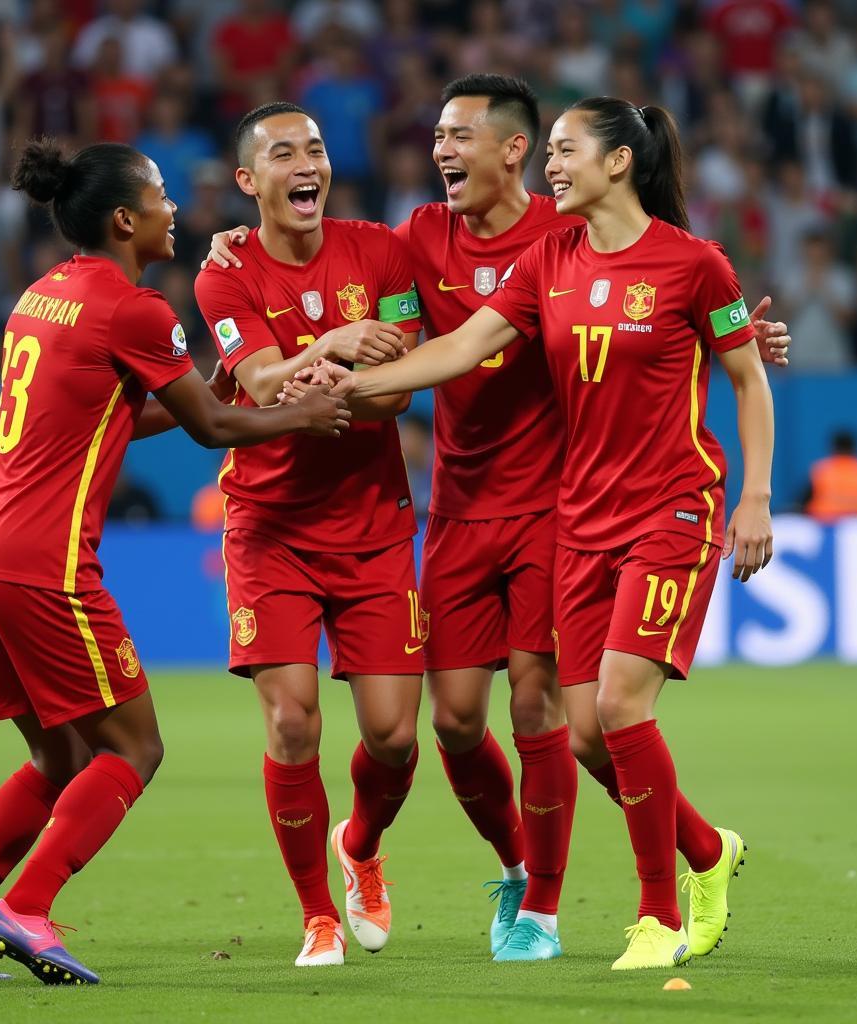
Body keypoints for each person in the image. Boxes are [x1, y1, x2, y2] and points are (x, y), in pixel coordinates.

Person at [209, 74, 789, 963]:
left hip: (569, 506)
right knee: (454, 723)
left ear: (513, 149)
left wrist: (733, 344)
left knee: (553, 708)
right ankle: (684, 853)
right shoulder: (432, 241)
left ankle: (550, 908)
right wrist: (312, 335)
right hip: (461, 511)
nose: (439, 149)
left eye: (458, 134)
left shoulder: (584, 235)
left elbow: (676, 311)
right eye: (436, 134)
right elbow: (447, 344)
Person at [0, 138, 349, 984]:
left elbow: (114, 416)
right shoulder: (135, 308)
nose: (173, 208)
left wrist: (212, 393)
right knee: (134, 748)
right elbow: (215, 430)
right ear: (122, 219)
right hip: (44, 563)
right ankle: (27, 907)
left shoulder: (43, 295)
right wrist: (305, 412)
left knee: (58, 758)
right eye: (160, 196)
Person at [193, 101, 424, 968]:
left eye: (318, 149)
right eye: (284, 152)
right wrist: (331, 347)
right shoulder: (224, 273)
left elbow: (402, 389)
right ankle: (317, 916)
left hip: (371, 521)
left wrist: (335, 383)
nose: (308, 164)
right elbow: (252, 384)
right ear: (250, 181)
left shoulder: (383, 250)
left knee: (395, 738)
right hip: (271, 524)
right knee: (292, 723)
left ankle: (359, 844)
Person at [804, 430, 857, 520]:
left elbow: (804, 501)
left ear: (833, 448)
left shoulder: (821, 470)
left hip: (827, 525)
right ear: (855, 449)